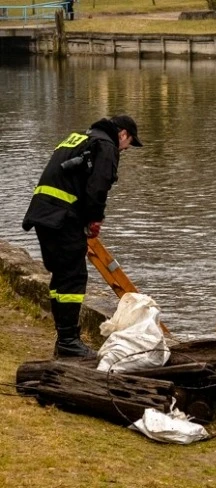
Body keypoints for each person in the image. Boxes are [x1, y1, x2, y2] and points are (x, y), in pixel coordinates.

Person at [22, 115, 143, 359]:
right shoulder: (106, 145)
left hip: (43, 215)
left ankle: (64, 338)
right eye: (129, 142)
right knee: (73, 279)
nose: (127, 148)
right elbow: (98, 187)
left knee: (61, 278)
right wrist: (94, 220)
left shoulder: (78, 138)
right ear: (122, 134)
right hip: (63, 219)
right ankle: (68, 342)